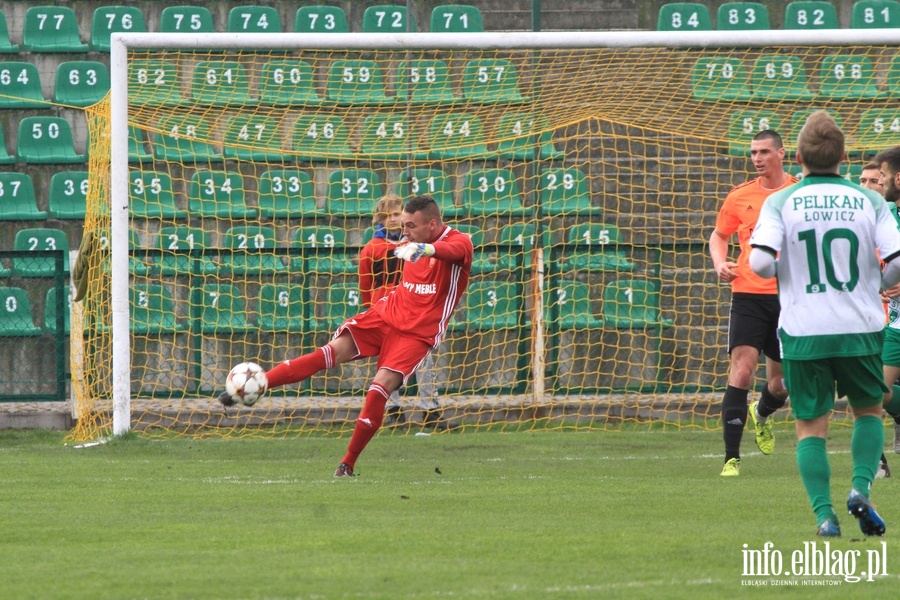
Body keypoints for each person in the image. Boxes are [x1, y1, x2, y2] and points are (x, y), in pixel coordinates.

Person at [219, 195, 473, 477]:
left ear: (432, 224)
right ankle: (261, 384)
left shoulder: (459, 242)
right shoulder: (407, 243)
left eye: (411, 225)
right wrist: (412, 246)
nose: (404, 232)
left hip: (417, 334)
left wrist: (425, 249)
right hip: (385, 315)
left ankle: (347, 463)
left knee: (378, 389)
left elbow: (452, 251)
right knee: (327, 353)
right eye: (403, 225)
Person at [749, 110, 900, 537]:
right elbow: (897, 260)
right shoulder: (869, 199)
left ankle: (825, 517)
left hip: (803, 328)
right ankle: (859, 489)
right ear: (845, 156)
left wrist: (784, 272)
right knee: (868, 410)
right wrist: (879, 282)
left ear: (796, 157)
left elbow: (760, 262)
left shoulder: (780, 201)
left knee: (810, 425)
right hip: (860, 324)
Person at [708, 130, 797, 477]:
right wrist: (719, 262)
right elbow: (719, 235)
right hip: (747, 294)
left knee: (780, 385)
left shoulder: (798, 191)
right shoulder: (739, 196)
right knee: (742, 371)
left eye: (763, 152)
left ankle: (762, 414)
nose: (757, 158)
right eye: (753, 153)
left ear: (781, 153)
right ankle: (731, 457)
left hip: (790, 296)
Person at [358, 194, 455, 430]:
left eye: (397, 215)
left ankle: (429, 409)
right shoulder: (372, 249)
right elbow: (365, 285)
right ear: (380, 219)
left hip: (414, 313)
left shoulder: (413, 246)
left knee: (424, 360)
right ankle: (393, 410)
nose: (393, 220)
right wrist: (372, 311)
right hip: (386, 314)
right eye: (388, 215)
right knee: (388, 364)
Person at [858, 160, 894, 479]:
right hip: (876, 323)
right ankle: (878, 463)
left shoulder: (890, 221)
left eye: (874, 181)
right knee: (873, 391)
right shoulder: (857, 224)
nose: (867, 187)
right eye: (863, 181)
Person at [872, 148, 900, 462]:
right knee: (873, 391)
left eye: (882, 176)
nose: (880, 182)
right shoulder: (888, 218)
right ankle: (876, 467)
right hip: (896, 326)